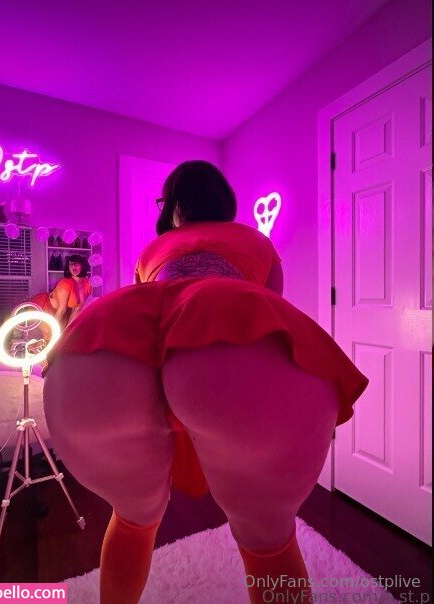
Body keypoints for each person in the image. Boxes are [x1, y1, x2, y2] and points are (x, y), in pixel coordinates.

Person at [43, 161, 369, 604]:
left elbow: (152, 314)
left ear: (175, 207)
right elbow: (265, 307)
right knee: (267, 537)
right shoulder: (257, 241)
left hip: (102, 343)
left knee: (133, 517)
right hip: (225, 331)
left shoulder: (153, 250)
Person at [31, 254, 92, 333]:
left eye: (76, 264)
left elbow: (80, 307)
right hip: (48, 308)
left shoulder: (87, 283)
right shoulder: (65, 284)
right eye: (71, 264)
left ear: (82, 266)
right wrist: (54, 332)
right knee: (52, 335)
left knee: (69, 333)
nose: (73, 266)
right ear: (68, 268)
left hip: (66, 311)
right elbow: (61, 310)